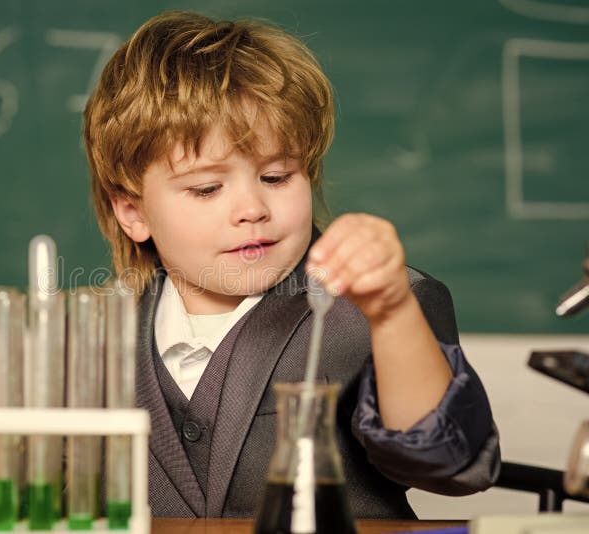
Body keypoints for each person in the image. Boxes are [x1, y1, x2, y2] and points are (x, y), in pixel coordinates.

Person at [83, 10, 500, 519]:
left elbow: (450, 466)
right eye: (207, 188)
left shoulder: (374, 308)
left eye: (277, 177)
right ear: (132, 212)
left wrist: (392, 315)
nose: (252, 209)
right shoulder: (92, 336)